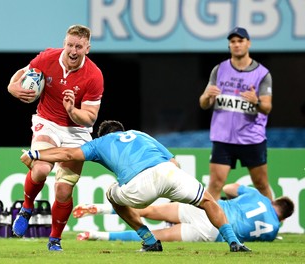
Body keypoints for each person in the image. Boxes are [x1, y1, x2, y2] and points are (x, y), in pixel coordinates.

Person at [20, 120, 251, 252]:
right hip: (170, 173)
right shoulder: (141, 134)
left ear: (102, 134)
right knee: (209, 200)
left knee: (111, 194)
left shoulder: (99, 143)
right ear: (122, 130)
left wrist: (37, 153)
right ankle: (234, 243)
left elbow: (68, 152)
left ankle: (150, 241)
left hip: (139, 185)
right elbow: (174, 162)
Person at [7, 24, 104, 251]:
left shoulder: (94, 76)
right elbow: (22, 72)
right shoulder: (47, 58)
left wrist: (72, 111)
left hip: (77, 131)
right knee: (40, 169)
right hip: (48, 122)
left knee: (63, 190)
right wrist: (12, 87)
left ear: (87, 49)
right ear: (64, 43)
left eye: (78, 46)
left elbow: (90, 118)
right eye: (70, 45)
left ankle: (54, 240)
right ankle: (27, 207)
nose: (73, 50)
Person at [72, 183, 294, 243]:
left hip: (210, 211)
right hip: (214, 233)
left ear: (274, 201)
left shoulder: (259, 197)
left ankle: (100, 208)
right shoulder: (273, 231)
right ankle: (95, 235)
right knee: (155, 236)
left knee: (149, 210)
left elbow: (229, 188)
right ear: (282, 219)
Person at [199, 27, 273, 201]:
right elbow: (203, 103)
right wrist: (206, 96)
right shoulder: (219, 69)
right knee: (215, 184)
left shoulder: (262, 74)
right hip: (223, 138)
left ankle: (272, 221)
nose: (236, 45)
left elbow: (267, 108)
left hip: (251, 138)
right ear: (229, 45)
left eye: (240, 41)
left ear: (248, 43)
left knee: (261, 184)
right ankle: (210, 225)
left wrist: (256, 101)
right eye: (233, 42)